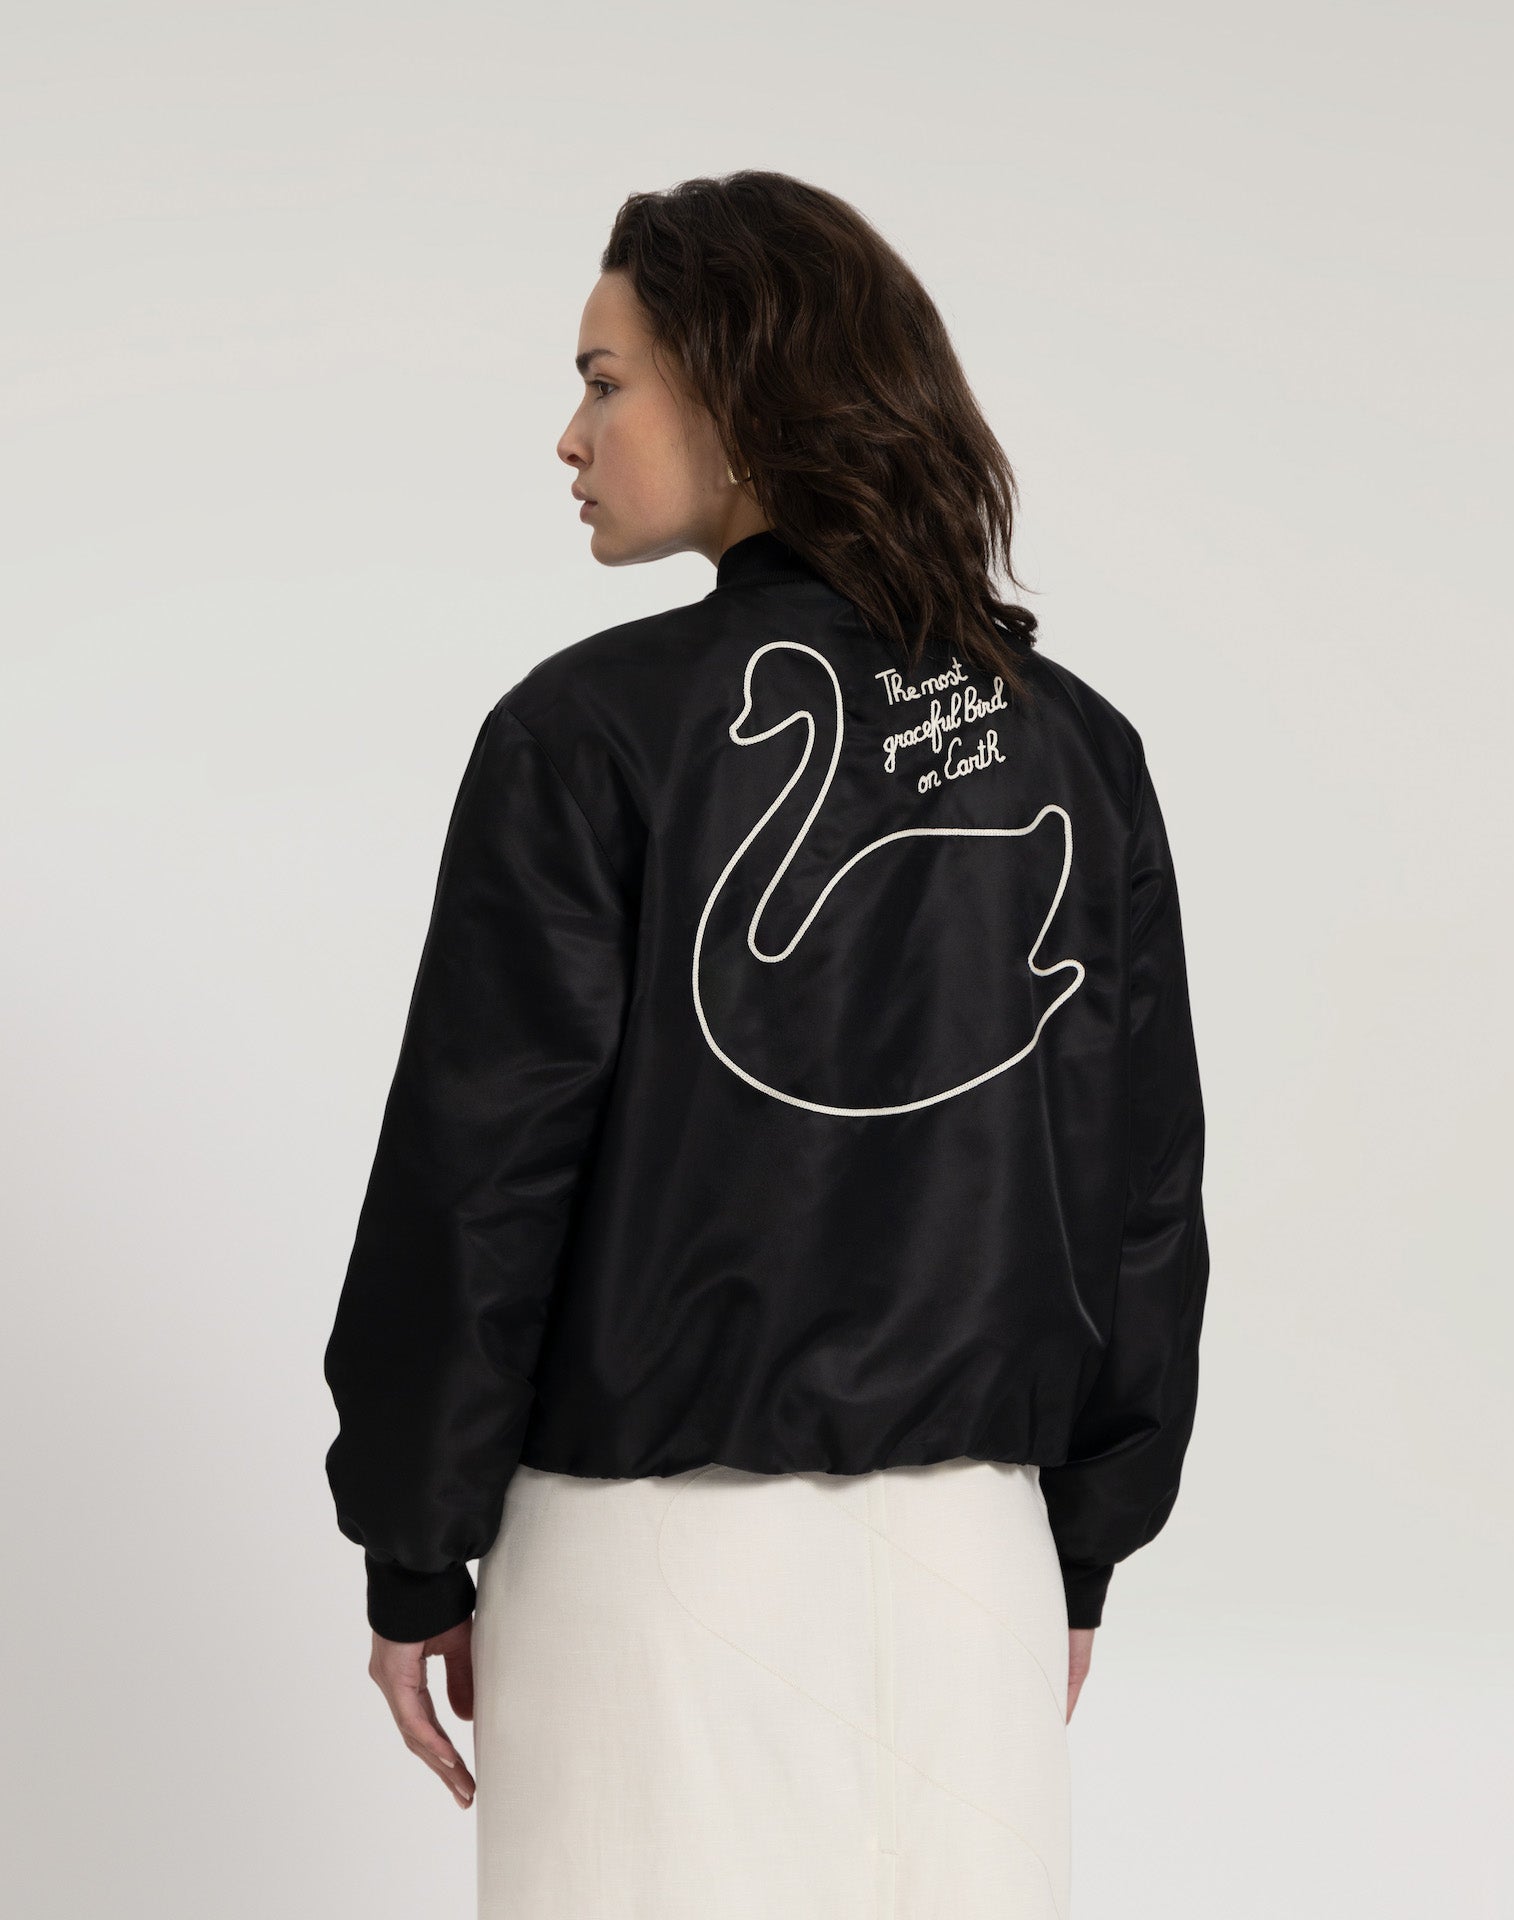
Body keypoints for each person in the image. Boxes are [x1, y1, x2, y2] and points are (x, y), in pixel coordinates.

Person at [323, 169, 1210, 1920]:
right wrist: (1080, 1549)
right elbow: (1140, 1190)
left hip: (645, 1557)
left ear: (740, 391)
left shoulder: (588, 736)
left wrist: (415, 1550)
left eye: (605, 380)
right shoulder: (1074, 745)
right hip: (974, 1563)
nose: (570, 435)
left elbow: (480, 1174)